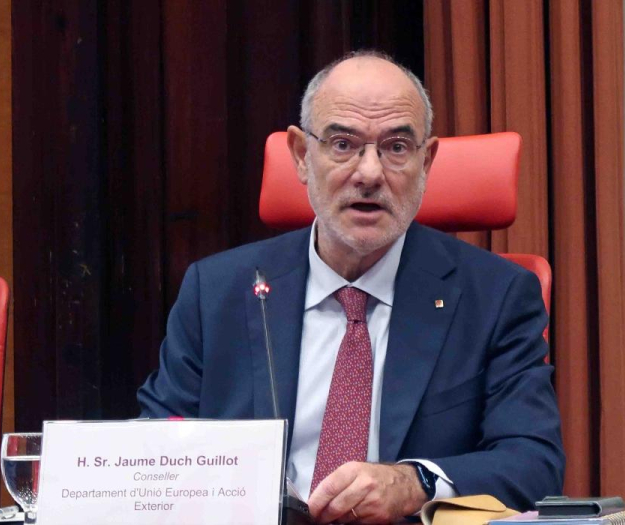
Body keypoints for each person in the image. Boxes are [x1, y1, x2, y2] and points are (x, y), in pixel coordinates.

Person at [138, 50, 564, 524]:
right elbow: (155, 447)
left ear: (427, 161)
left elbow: (533, 461)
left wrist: (412, 483)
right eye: (343, 144)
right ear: (301, 155)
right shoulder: (216, 290)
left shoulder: (498, 297)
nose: (369, 173)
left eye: (397, 148)